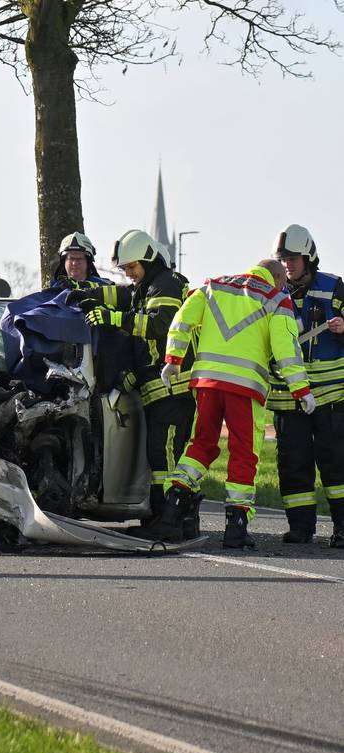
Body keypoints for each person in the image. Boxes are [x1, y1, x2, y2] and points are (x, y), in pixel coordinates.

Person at [145, 259, 312, 549]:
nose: (286, 287)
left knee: (201, 445)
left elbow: (182, 319)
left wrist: (173, 359)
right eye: (283, 281)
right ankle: (235, 528)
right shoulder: (276, 299)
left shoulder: (213, 286)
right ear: (275, 276)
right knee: (243, 453)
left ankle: (172, 511)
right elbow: (287, 349)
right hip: (245, 389)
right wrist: (301, 389)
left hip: (207, 383)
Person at [68, 230, 196, 528]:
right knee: (160, 456)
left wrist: (113, 319)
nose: (129, 274)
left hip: (174, 390)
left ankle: (173, 521)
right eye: (125, 270)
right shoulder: (146, 286)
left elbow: (159, 325)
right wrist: (83, 291)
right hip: (159, 389)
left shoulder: (165, 284)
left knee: (166, 457)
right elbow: (119, 294)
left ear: (148, 261)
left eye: (131, 268)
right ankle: (163, 519)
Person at [268, 224, 344, 546]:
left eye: (294, 259)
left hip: (330, 397)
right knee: (293, 464)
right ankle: (301, 528)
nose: (288, 265)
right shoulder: (272, 294)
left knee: (337, 463)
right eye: (283, 259)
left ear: (309, 257)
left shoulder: (334, 287)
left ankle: (342, 528)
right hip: (288, 398)